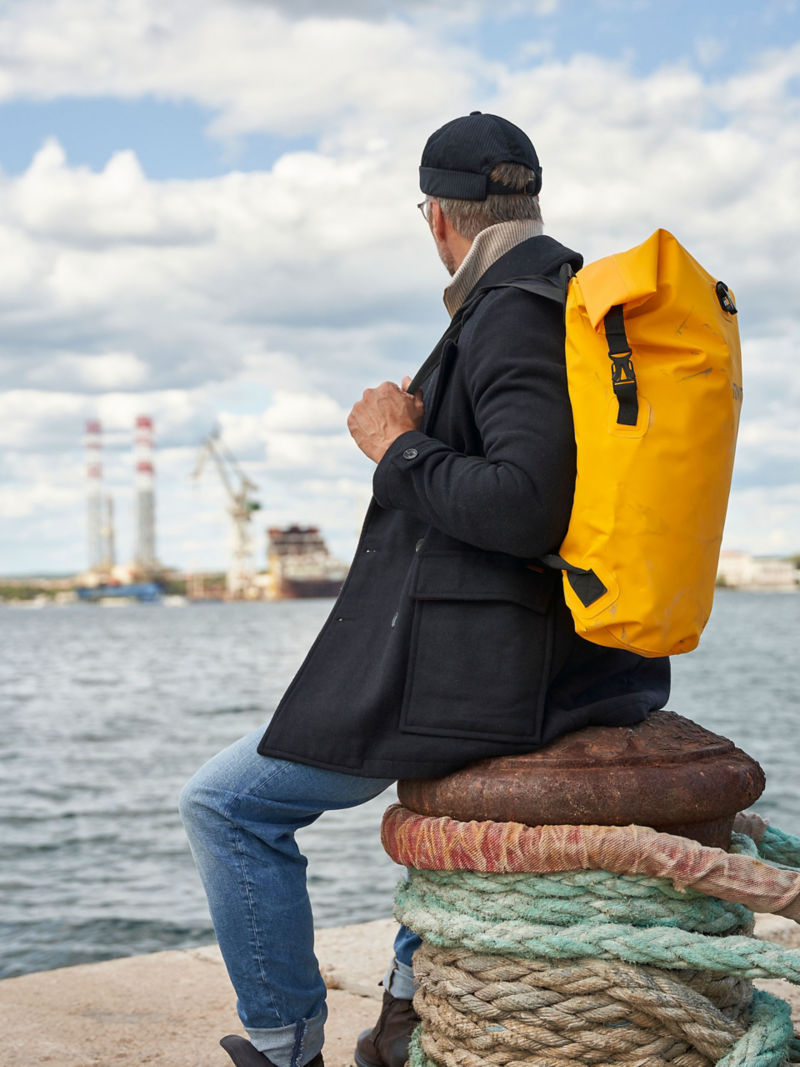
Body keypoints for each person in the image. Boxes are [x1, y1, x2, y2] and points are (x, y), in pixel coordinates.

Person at [179, 112, 670, 1067]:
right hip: (562, 658)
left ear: (439, 221)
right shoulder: (563, 297)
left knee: (228, 803)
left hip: (489, 678)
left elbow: (527, 504)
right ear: (524, 201)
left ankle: (284, 1045)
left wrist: (394, 443)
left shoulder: (513, 312)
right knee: (417, 807)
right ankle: (404, 1009)